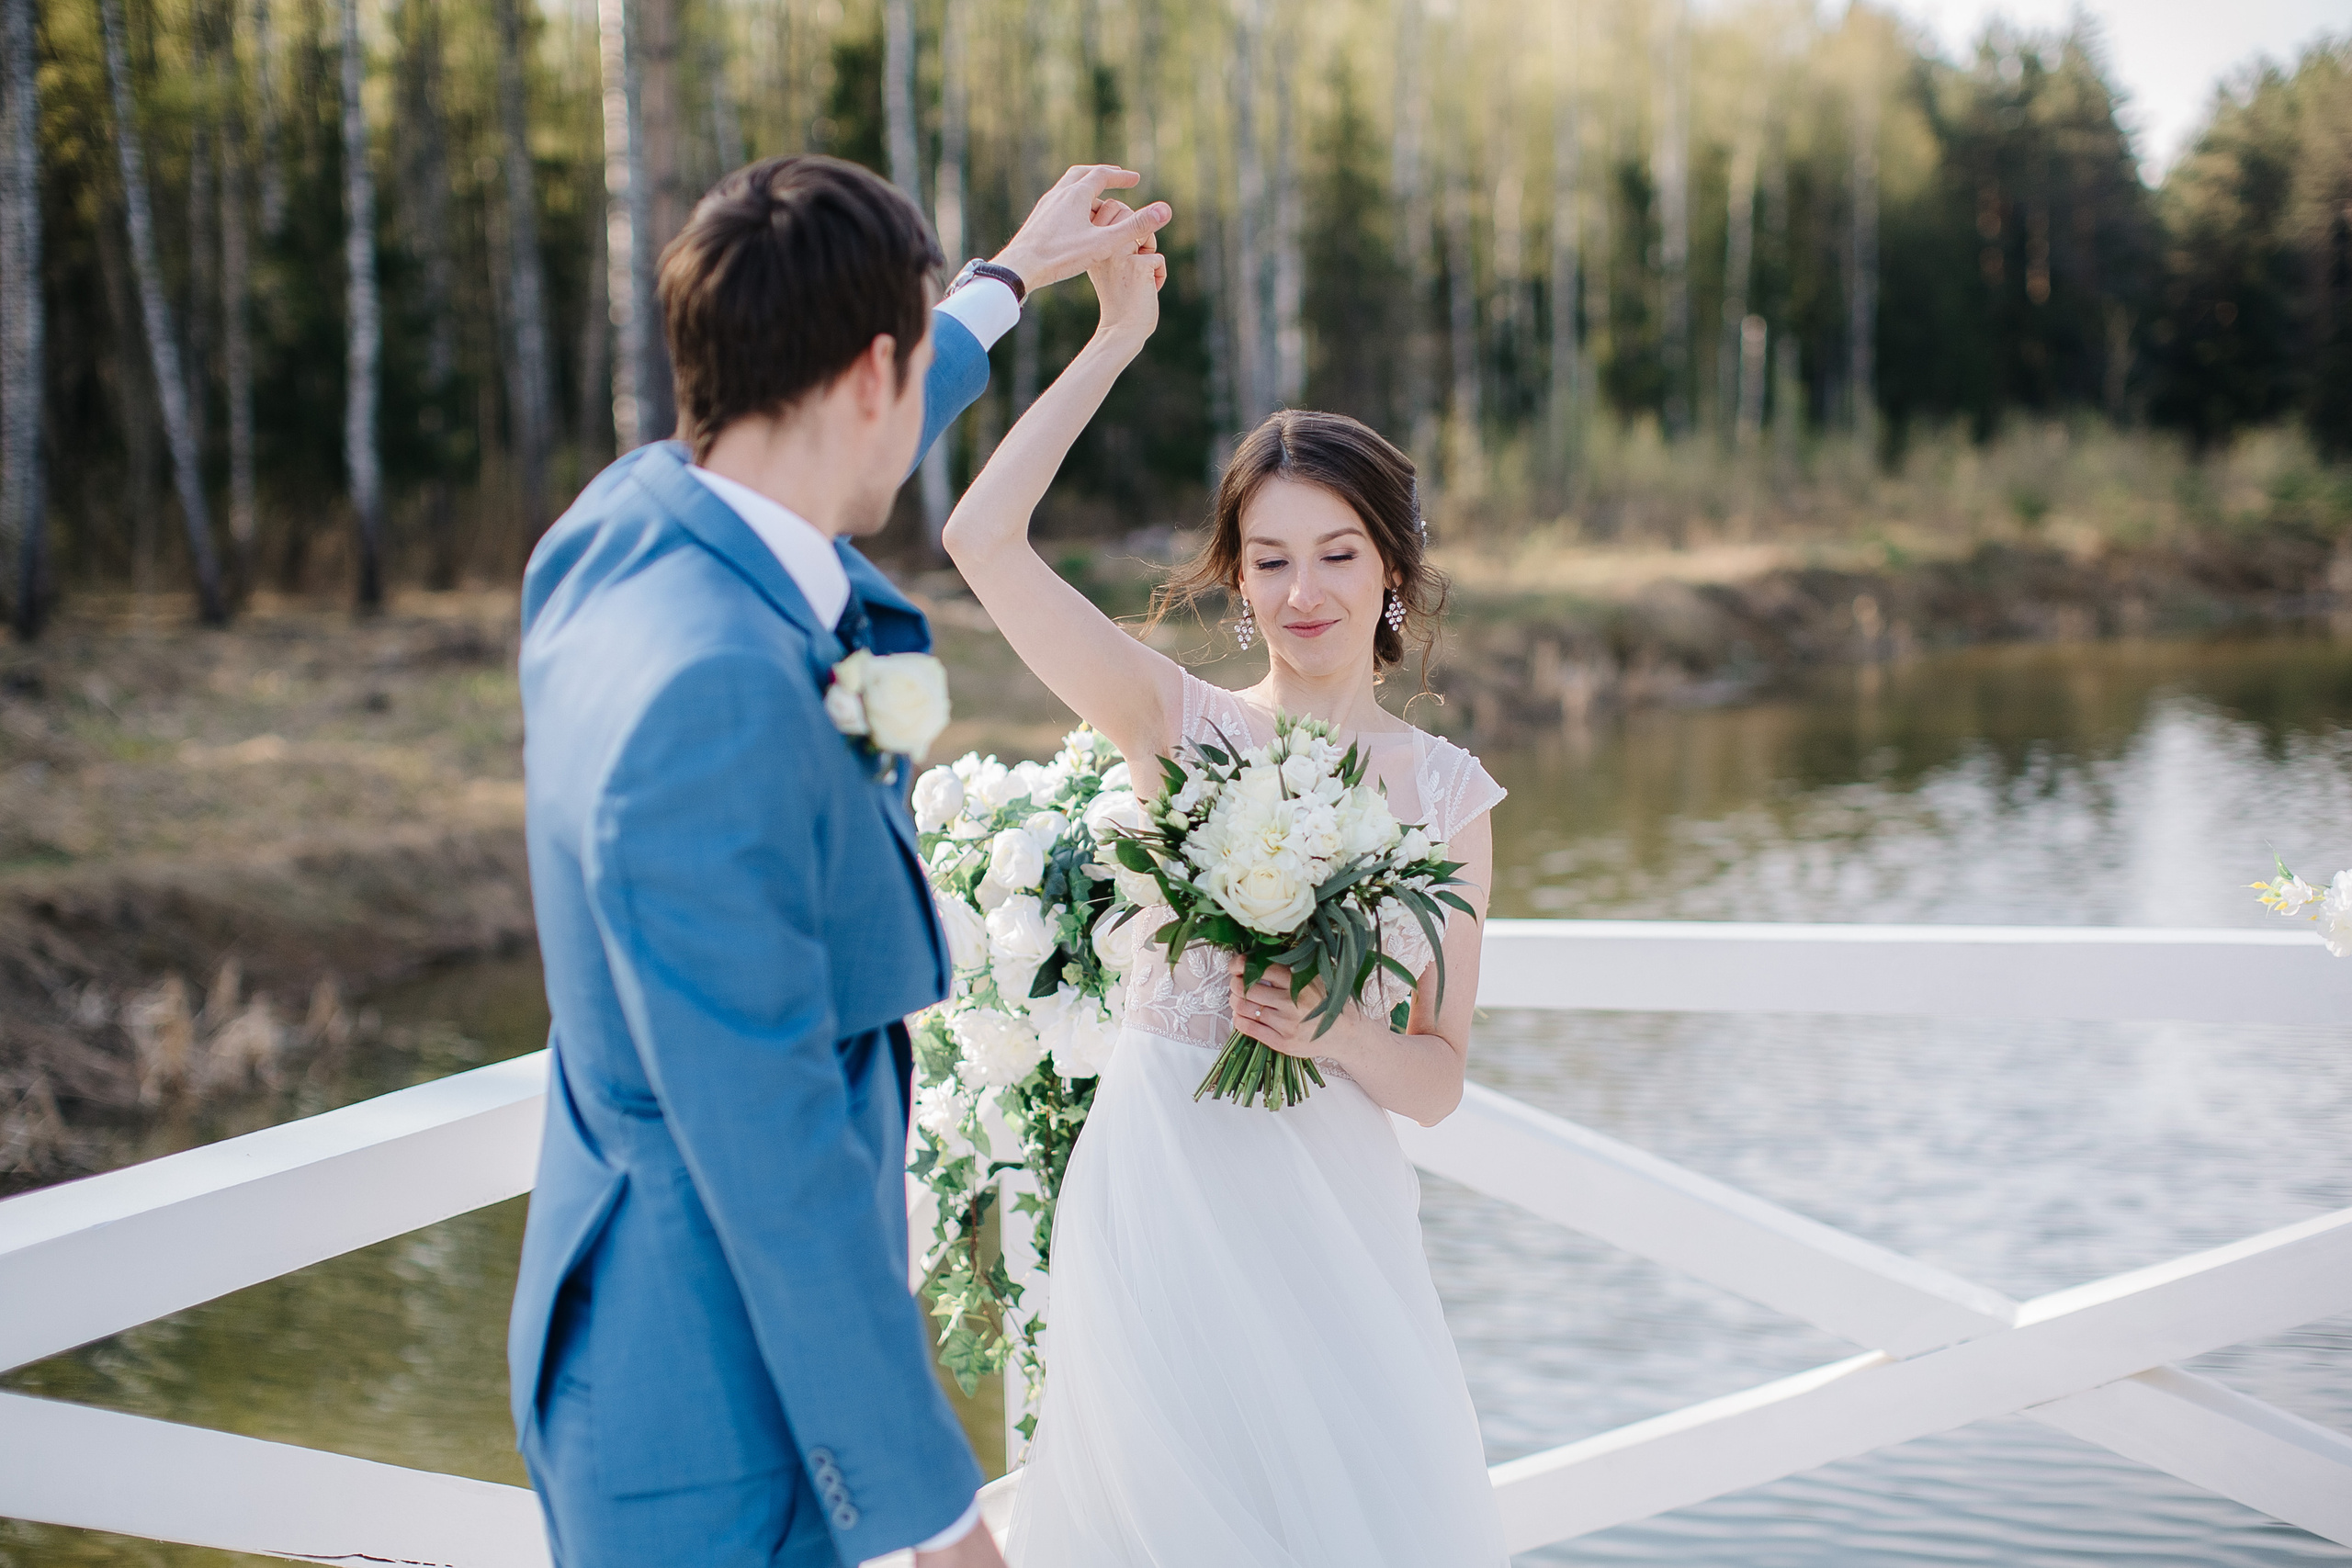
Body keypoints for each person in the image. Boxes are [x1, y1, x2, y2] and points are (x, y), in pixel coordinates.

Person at [507, 155, 1169, 1568]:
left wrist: (1003, 285)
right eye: (915, 354)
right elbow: (774, 1146)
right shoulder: (713, 700)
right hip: (709, 1407)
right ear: (873, 369)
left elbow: (821, 428)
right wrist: (944, 1523)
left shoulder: (620, 525)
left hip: (659, 1342)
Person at [941, 220, 1510, 1564]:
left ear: (1391, 572)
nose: (1303, 588)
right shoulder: (1173, 720)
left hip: (1330, 1211)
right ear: (1238, 581)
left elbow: (1436, 1079)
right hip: (1159, 1188)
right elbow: (980, 533)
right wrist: (1113, 339)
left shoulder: (1448, 795)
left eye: (1336, 553)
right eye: (1269, 558)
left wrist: (1335, 1031)